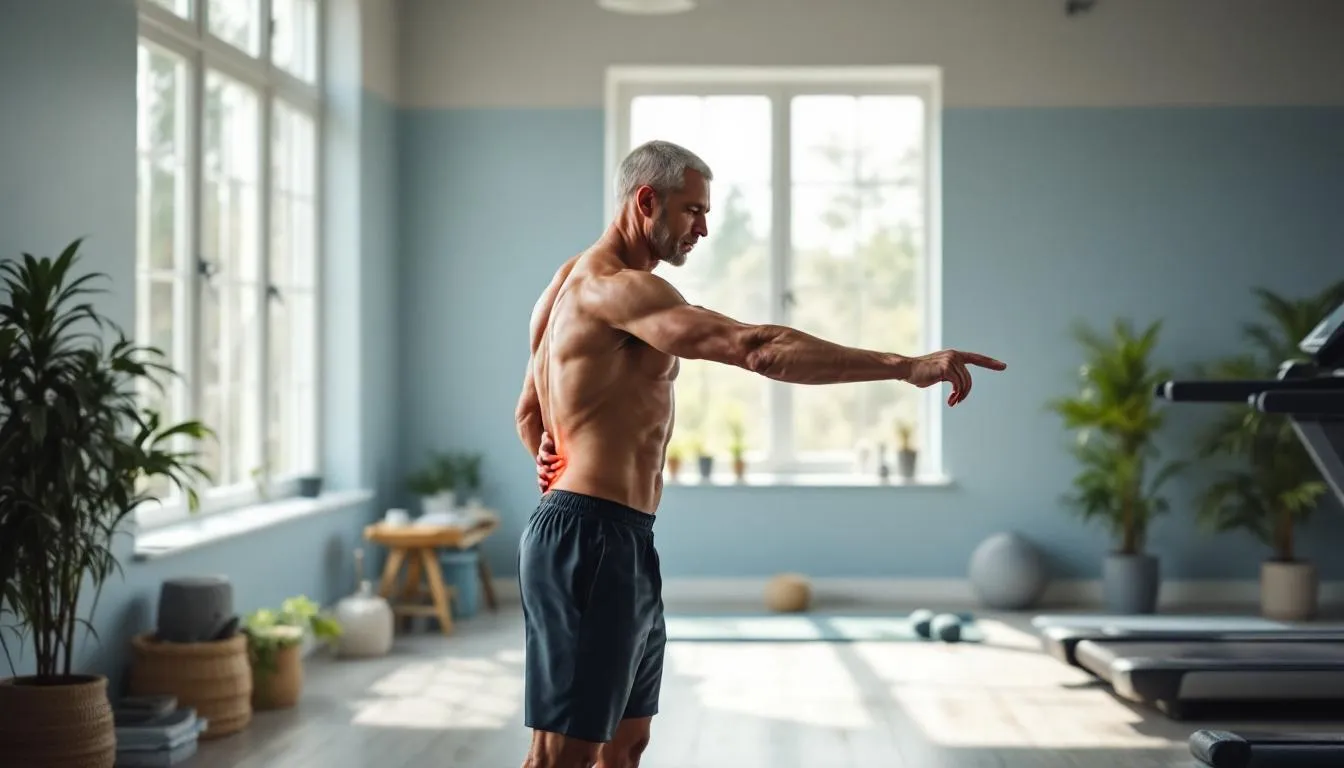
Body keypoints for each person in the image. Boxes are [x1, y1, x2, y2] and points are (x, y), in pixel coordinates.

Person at [513, 139, 1006, 768]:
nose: (704, 227)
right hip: (591, 538)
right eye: (693, 211)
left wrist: (551, 465)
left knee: (626, 743)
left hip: (618, 537)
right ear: (646, 201)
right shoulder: (619, 291)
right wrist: (904, 366)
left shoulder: (561, 289)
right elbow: (757, 349)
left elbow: (529, 414)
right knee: (564, 758)